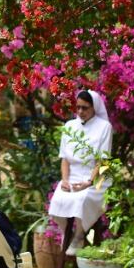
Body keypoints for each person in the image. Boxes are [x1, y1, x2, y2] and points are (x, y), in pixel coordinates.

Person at [47, 90, 113, 255]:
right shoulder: (69, 126)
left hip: (96, 179)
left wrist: (88, 182)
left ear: (94, 107)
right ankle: (67, 233)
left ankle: (78, 235)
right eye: (78, 108)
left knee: (81, 200)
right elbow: (65, 159)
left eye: (85, 108)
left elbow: (103, 161)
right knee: (57, 201)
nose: (81, 112)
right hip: (72, 177)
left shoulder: (104, 127)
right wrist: (65, 181)